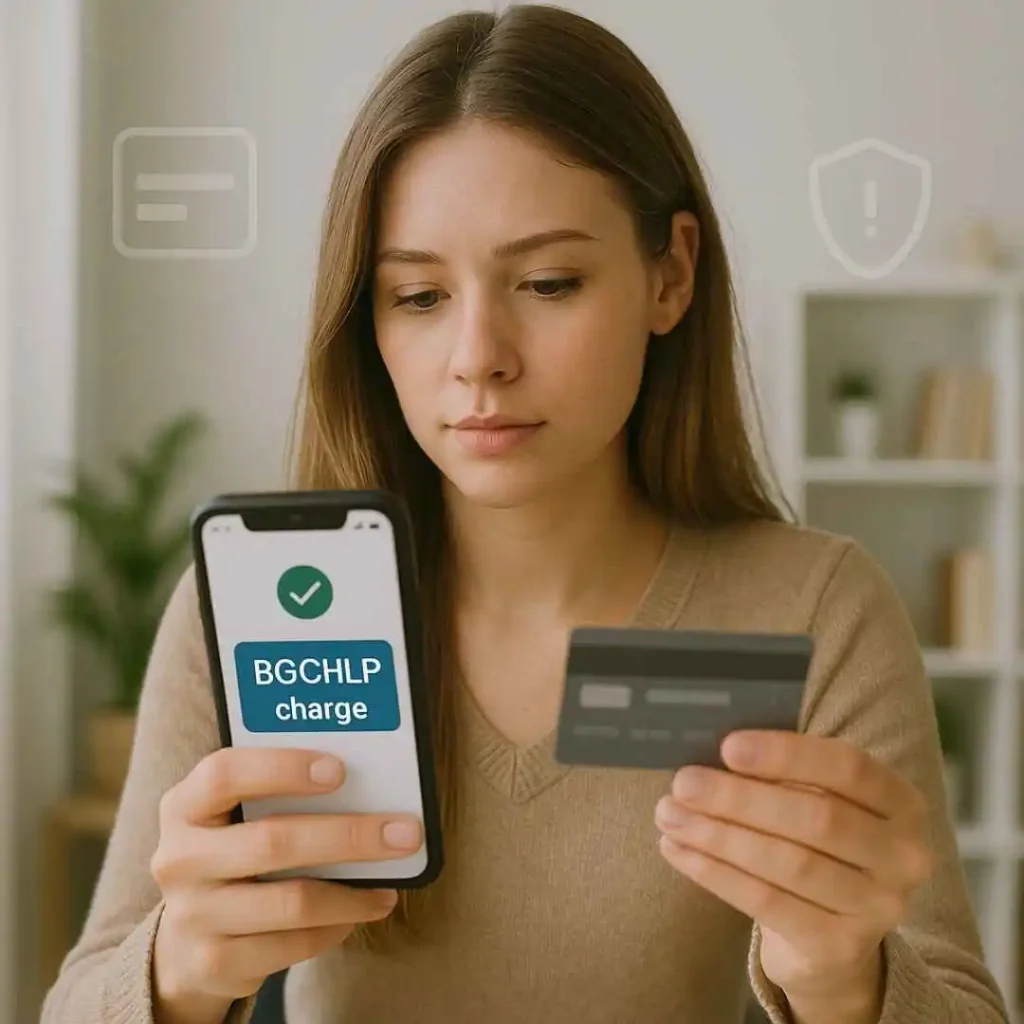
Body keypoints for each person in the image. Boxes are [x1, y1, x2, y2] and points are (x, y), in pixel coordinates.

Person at [42, 5, 1010, 1024]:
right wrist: (177, 971)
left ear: (671, 273)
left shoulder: (815, 608)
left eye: (549, 282)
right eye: (419, 297)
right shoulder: (256, 614)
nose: (478, 358)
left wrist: (846, 980)